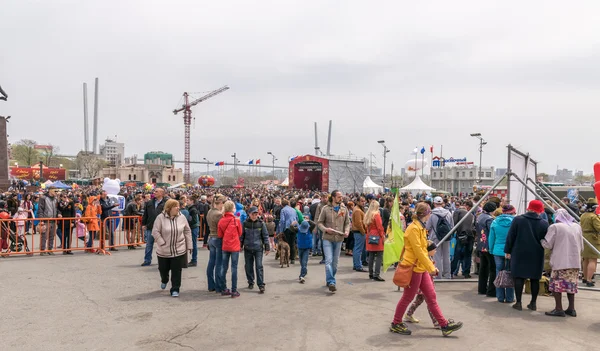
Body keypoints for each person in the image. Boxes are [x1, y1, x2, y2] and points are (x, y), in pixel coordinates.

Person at [390, 202, 463, 336]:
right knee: (409, 297)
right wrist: (431, 268)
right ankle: (396, 323)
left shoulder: (419, 227)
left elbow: (422, 250)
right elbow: (419, 251)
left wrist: (430, 266)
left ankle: (444, 325)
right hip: (414, 267)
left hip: (420, 267)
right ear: (426, 214)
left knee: (431, 296)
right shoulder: (414, 228)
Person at [505, 200, 549, 312]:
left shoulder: (518, 220)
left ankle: (518, 302)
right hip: (537, 253)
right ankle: (533, 303)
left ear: (528, 208)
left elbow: (511, 236)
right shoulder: (544, 223)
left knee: (518, 277)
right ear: (540, 210)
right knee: (535, 278)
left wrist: (508, 250)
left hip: (519, 252)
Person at [541, 209, 583, 317]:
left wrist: (541, 241)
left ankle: (558, 308)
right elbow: (582, 245)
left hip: (560, 262)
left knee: (556, 285)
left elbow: (548, 245)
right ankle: (571, 308)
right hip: (574, 262)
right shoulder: (577, 226)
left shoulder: (555, 227)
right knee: (571, 285)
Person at [152, 199, 192, 297]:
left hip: (179, 249)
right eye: (176, 206)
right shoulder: (160, 218)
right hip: (164, 250)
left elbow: (187, 231)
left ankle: (175, 288)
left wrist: (189, 245)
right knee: (163, 269)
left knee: (177, 270)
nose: (178, 208)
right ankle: (164, 279)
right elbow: (155, 232)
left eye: (178, 206)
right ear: (169, 208)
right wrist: (161, 242)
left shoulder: (182, 217)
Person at [317, 190, 351, 293]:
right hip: (327, 238)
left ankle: (329, 279)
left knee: (335, 263)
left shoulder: (344, 209)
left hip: (339, 239)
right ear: (333, 197)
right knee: (328, 261)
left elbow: (347, 223)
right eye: (339, 197)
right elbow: (319, 223)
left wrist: (346, 230)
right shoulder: (325, 209)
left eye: (341, 196)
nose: (341, 198)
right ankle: (332, 281)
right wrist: (325, 229)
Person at [404, 240, 440, 328]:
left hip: (425, 285)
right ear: (429, 251)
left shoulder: (429, 258)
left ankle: (409, 314)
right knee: (430, 302)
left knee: (418, 301)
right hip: (425, 285)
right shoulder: (425, 260)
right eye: (434, 250)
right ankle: (435, 321)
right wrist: (434, 271)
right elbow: (427, 272)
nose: (435, 251)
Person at [488, 205, 516, 303]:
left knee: (498, 272)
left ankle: (500, 297)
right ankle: (510, 297)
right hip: (511, 251)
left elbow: (491, 238)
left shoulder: (495, 222)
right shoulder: (515, 222)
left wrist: (491, 250)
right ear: (512, 212)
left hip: (497, 250)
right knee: (510, 273)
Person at [241, 206, 270, 294]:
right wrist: (240, 245)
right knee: (248, 266)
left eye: (256, 214)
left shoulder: (261, 223)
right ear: (249, 214)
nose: (254, 216)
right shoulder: (245, 223)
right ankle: (250, 281)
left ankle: (261, 285)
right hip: (248, 248)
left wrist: (267, 247)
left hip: (258, 248)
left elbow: (265, 236)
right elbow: (242, 236)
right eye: (253, 214)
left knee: (259, 266)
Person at [219, 200, 243, 298]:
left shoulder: (221, 220)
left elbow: (220, 234)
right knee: (234, 268)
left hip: (225, 245)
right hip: (235, 246)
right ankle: (234, 290)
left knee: (224, 268)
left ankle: (224, 288)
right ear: (233, 208)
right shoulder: (236, 220)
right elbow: (240, 233)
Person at [426, 196, 454, 279]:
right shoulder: (448, 213)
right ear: (442, 203)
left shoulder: (431, 214)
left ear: (434, 203)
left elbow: (427, 227)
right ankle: (447, 274)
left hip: (435, 237)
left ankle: (438, 275)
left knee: (436, 256)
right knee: (446, 255)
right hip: (446, 237)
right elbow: (452, 226)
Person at [476, 202, 497, 297]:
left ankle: (482, 288)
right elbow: (492, 232)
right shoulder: (490, 219)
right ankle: (491, 291)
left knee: (483, 267)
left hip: (480, 244)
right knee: (492, 268)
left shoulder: (479, 217)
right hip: (488, 245)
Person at [141, 188, 166, 266]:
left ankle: (163, 261)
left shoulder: (166, 203)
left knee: (162, 244)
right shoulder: (149, 202)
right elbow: (145, 214)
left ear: (161, 193)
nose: (154, 193)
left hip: (162, 227)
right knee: (149, 244)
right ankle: (147, 260)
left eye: (156, 191)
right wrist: (144, 224)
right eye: (154, 191)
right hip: (150, 226)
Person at [451, 201, 475, 279]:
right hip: (470, 236)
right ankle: (466, 273)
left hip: (461, 235)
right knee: (468, 255)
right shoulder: (471, 214)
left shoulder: (457, 212)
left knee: (456, 255)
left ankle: (452, 272)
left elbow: (454, 224)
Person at [580, 198, 600, 287]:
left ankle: (585, 278)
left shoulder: (583, 215)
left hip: (584, 237)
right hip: (593, 238)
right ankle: (589, 280)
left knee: (586, 259)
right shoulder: (593, 217)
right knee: (593, 259)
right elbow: (598, 228)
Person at [207, 195, 225, 292]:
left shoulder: (210, 212)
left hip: (211, 237)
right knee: (219, 263)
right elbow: (221, 227)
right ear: (220, 203)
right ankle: (219, 286)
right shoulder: (218, 214)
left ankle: (211, 284)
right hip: (218, 238)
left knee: (211, 262)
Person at [364, 200, 385, 281]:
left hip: (370, 235)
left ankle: (371, 273)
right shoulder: (376, 215)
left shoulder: (368, 215)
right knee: (379, 256)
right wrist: (382, 237)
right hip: (377, 236)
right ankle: (377, 274)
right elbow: (380, 227)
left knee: (371, 256)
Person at [38, 187, 59, 256]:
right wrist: (41, 220)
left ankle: (50, 249)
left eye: (57, 191)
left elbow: (57, 208)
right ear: (50, 190)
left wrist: (59, 213)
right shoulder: (43, 198)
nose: (56, 192)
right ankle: (42, 250)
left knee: (52, 236)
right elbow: (40, 209)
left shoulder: (56, 199)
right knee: (44, 236)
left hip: (53, 220)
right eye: (55, 190)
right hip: (46, 220)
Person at [351, 196, 367, 272]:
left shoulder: (358, 209)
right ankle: (358, 265)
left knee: (357, 248)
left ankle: (356, 264)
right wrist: (363, 231)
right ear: (357, 202)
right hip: (359, 231)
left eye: (364, 201)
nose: (363, 202)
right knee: (358, 249)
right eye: (361, 201)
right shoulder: (357, 210)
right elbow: (358, 223)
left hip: (358, 231)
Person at [185, 196, 200, 267]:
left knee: (194, 244)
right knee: (192, 244)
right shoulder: (190, 208)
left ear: (192, 201)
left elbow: (193, 220)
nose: (186, 201)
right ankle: (193, 260)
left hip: (193, 228)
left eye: (188, 200)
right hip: (193, 227)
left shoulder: (193, 209)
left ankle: (194, 260)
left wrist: (187, 223)